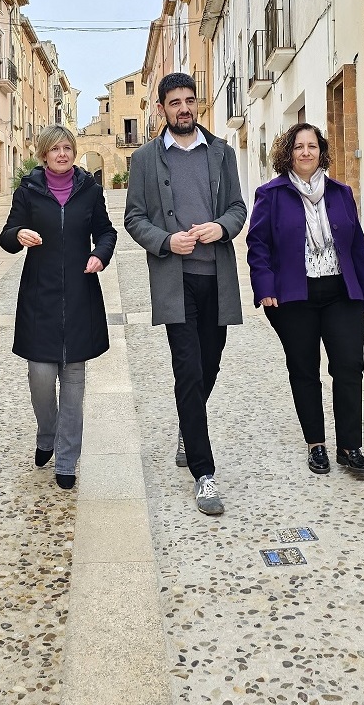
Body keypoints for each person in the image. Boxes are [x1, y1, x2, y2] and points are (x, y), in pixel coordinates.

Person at [124, 72, 246, 515]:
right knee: (189, 369)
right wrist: (165, 241)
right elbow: (134, 218)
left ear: (198, 105)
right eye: (174, 102)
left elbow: (238, 207)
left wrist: (221, 227)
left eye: (190, 101)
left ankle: (185, 422)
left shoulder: (222, 154)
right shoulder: (143, 160)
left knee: (209, 364)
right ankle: (204, 472)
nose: (183, 108)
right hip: (175, 281)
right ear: (161, 109)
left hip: (217, 277)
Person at [247, 124, 364, 475]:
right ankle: (316, 444)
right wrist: (265, 287)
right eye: (298, 146)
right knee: (304, 370)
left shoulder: (340, 192)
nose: (306, 152)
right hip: (294, 298)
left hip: (340, 294)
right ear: (287, 153)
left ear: (321, 151)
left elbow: (355, 246)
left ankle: (350, 447)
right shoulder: (270, 194)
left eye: (312, 146)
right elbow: (257, 245)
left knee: (349, 367)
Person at [0, 125, 117, 490]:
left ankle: (66, 459)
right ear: (44, 154)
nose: (62, 154)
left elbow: (107, 232)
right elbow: (6, 234)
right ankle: (46, 432)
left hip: (80, 295)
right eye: (55, 148)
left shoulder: (90, 191)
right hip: (40, 297)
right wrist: (18, 235)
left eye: (68, 147)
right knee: (41, 376)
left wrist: (100, 254)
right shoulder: (29, 191)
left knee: (74, 383)